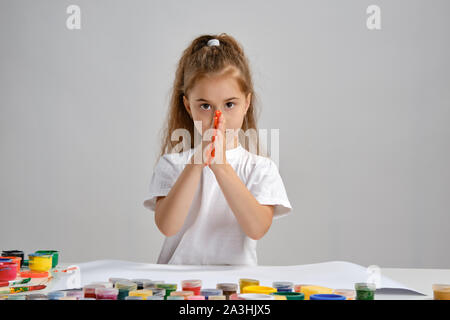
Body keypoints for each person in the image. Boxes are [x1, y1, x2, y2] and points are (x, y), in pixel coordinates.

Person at [143, 33, 292, 265]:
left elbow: (257, 228)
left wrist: (221, 167)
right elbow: (167, 226)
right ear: (188, 106)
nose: (217, 117)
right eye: (205, 106)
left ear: (247, 104)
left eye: (229, 104)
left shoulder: (260, 168)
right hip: (179, 287)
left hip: (235, 288)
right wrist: (195, 165)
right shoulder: (173, 164)